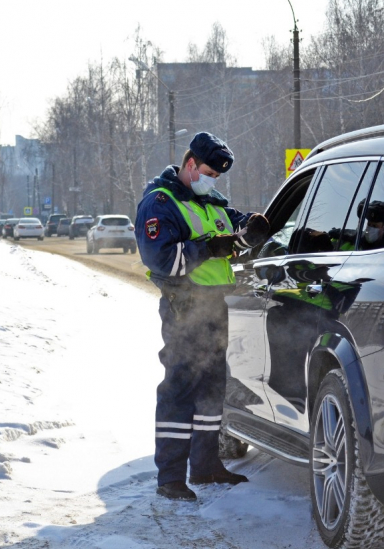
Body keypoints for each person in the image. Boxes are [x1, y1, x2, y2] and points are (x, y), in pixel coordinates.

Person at [135, 132, 270, 502]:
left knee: (213, 388)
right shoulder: (160, 203)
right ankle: (171, 478)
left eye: (218, 176)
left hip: (214, 307)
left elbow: (236, 231)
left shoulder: (211, 203)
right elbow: (164, 259)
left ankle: (207, 466)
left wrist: (253, 228)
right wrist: (212, 247)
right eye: (209, 172)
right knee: (179, 390)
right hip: (184, 308)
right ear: (190, 164)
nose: (213, 180)